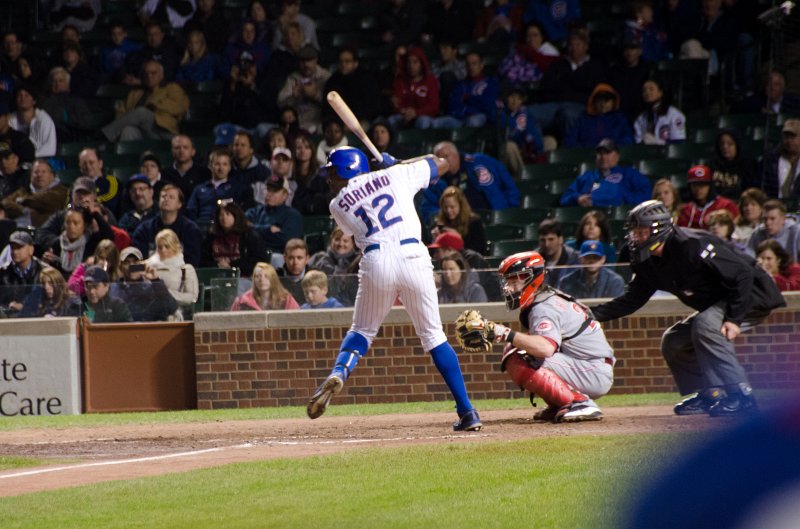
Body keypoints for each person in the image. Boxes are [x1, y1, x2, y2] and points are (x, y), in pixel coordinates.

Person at [307, 146, 482, 432]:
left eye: (333, 172)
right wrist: (401, 163)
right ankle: (467, 411)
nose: (329, 178)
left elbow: (360, 212)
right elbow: (444, 163)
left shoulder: (337, 205)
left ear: (348, 170)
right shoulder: (398, 174)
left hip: (377, 260)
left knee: (362, 331)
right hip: (414, 255)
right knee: (434, 336)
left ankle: (340, 370)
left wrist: (395, 168)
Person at [591, 200, 785, 416]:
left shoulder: (692, 244)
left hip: (751, 294)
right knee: (674, 340)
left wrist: (734, 319)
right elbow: (632, 299)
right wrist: (591, 315)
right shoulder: (646, 260)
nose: (635, 236)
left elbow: (742, 274)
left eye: (641, 231)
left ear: (659, 229)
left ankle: (740, 395)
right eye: (634, 231)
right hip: (719, 301)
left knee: (705, 325)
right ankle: (710, 395)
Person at [457, 250, 613, 422]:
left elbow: (545, 348)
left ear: (530, 277)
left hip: (593, 370)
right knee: (519, 349)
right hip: (588, 365)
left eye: (513, 280)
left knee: (519, 355)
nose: (508, 287)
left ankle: (579, 402)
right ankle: (560, 403)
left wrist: (501, 332)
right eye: (507, 281)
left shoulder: (543, 307)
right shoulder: (545, 298)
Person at [424, 141, 520, 224]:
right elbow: (428, 208)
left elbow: (509, 185)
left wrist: (510, 210)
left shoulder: (480, 161)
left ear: (456, 153)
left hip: (497, 218)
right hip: (461, 227)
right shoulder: (435, 182)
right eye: (439, 159)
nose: (443, 161)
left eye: (446, 156)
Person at [102, 60, 190, 142]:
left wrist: (154, 104)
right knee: (127, 130)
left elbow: (180, 107)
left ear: (161, 75)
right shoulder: (135, 93)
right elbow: (122, 110)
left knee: (142, 112)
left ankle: (104, 137)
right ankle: (125, 158)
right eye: (146, 73)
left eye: (153, 73)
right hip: (143, 131)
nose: (149, 76)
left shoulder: (171, 88)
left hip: (163, 130)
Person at [560, 139, 652, 207]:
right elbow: (565, 198)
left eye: (607, 153)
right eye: (600, 153)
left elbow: (646, 195)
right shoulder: (587, 176)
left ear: (617, 156)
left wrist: (621, 197)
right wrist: (578, 198)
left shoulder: (629, 174)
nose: (603, 157)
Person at [132, 183, 203, 267]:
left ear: (179, 204)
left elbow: (192, 262)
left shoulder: (191, 230)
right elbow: (139, 260)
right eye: (163, 196)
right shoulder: (144, 229)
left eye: (171, 197)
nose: (166, 199)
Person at [41, 205, 115, 280]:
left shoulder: (92, 242)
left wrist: (95, 214)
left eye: (75, 223)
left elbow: (109, 236)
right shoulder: (57, 244)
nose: (71, 227)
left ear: (85, 225)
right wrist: (47, 263)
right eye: (68, 222)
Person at [431, 51, 500, 130]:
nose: (470, 67)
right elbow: (452, 105)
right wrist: (473, 104)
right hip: (459, 118)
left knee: (473, 121)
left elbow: (488, 104)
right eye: (468, 64)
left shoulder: (490, 82)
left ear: (481, 65)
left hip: (480, 117)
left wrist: (468, 98)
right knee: (436, 122)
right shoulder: (460, 84)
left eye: (474, 63)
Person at [201, 199, 268, 277]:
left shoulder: (250, 235)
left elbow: (259, 261)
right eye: (221, 215)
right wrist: (218, 265)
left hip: (244, 277)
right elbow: (203, 260)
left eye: (228, 214)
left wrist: (232, 265)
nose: (224, 218)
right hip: (215, 277)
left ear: (236, 216)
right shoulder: (212, 236)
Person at [112, 246, 179, 322]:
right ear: (121, 267)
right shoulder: (114, 288)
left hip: (149, 330)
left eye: (135, 262)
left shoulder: (153, 287)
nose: (132, 266)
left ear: (143, 265)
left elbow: (172, 308)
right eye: (127, 262)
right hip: (122, 330)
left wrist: (155, 280)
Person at [244, 174, 303, 258]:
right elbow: (242, 226)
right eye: (268, 190)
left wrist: (253, 229)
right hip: (252, 256)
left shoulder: (293, 215)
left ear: (285, 195)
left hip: (279, 257)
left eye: (274, 191)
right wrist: (268, 229)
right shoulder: (255, 212)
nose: (269, 194)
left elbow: (287, 241)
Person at [144, 228, 199, 317]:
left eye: (167, 246)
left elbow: (192, 297)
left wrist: (166, 293)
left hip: (176, 313)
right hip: (149, 313)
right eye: (160, 247)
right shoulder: (148, 267)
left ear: (175, 246)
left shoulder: (185, 269)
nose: (163, 250)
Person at [276, 44, 330, 134]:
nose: (306, 64)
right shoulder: (293, 78)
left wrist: (315, 94)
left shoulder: (325, 77)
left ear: (316, 60)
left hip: (318, 123)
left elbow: (334, 105)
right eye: (303, 61)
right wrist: (295, 97)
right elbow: (280, 103)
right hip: (297, 124)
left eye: (309, 60)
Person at [186, 147, 250, 223]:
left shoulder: (237, 188)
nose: (221, 168)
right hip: (202, 227)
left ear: (229, 167)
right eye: (217, 164)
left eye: (225, 164)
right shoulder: (199, 189)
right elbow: (190, 213)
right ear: (210, 166)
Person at [322, 47, 381, 127]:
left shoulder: (366, 79)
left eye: (347, 61)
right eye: (341, 61)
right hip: (338, 123)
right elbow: (327, 108)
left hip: (361, 120)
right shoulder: (333, 81)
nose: (343, 64)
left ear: (355, 63)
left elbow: (372, 107)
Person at [0, 159, 68, 228]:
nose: (39, 175)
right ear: (31, 175)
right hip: (17, 228)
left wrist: (23, 201)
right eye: (36, 172)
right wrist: (23, 210)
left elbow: (46, 202)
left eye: (44, 172)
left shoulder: (60, 190)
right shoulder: (24, 191)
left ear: (51, 175)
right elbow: (5, 203)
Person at [564, 83, 634, 148]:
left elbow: (629, 140)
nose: (602, 104)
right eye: (599, 100)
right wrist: (587, 148)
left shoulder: (620, 119)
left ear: (614, 101)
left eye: (606, 100)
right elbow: (569, 142)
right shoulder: (583, 119)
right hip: (586, 156)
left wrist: (610, 147)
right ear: (594, 102)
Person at [497, 85, 545, 178]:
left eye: (518, 98)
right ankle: (523, 177)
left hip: (525, 149)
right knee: (509, 146)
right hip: (511, 151)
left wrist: (534, 145)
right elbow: (509, 135)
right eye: (512, 97)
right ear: (506, 98)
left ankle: (542, 175)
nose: (515, 101)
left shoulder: (525, 113)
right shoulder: (501, 114)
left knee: (550, 141)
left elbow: (534, 133)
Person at [388, 46, 440, 130]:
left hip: (423, 116)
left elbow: (434, 106)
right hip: (403, 115)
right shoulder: (399, 80)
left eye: (415, 62)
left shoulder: (430, 80)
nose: (411, 66)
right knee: (391, 120)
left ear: (421, 63)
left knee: (423, 121)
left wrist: (416, 112)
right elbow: (396, 102)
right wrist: (403, 111)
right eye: (409, 62)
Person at [677, 165, 740, 230]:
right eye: (694, 185)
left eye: (702, 184)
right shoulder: (685, 210)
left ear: (710, 186)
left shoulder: (726, 205)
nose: (698, 189)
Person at [429, 185, 487, 255]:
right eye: (445, 207)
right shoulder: (439, 223)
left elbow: (480, 251)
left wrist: (458, 239)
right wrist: (435, 240)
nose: (448, 211)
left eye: (452, 207)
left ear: (461, 205)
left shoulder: (474, 222)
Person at [558, 239, 626, 299]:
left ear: (603, 259)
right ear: (581, 259)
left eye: (596, 257)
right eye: (588, 257)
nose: (592, 261)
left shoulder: (615, 282)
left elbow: (617, 309)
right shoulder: (566, 282)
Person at [750, 118, 800, 199]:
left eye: (793, 137)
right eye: (786, 137)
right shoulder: (769, 160)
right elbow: (760, 187)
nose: (789, 141)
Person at [0, 230, 45, 317]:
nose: (15, 252)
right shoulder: (3, 273)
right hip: (9, 318)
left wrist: (24, 307)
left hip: (37, 317)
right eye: (13, 248)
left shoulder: (44, 271)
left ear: (31, 249)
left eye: (19, 247)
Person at [8, 84, 57, 158]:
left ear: (34, 101)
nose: (22, 99)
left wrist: (27, 156)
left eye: (26, 95)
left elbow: (50, 149)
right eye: (19, 95)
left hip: (40, 161)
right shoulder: (10, 120)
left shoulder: (44, 120)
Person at [230, 261, 299, 310]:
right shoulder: (242, 301)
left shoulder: (286, 299)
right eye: (258, 276)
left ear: (273, 279)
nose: (262, 280)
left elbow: (296, 318)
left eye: (266, 276)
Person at [162, 134, 211, 202]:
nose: (181, 150)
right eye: (177, 147)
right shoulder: (164, 174)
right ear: (172, 151)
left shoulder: (205, 173)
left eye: (185, 147)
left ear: (193, 151)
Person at [711, 128, 755, 200]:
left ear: (737, 145)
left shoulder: (748, 165)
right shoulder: (712, 164)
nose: (725, 147)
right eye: (722, 144)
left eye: (730, 144)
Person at [534, 218, 579, 287]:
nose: (547, 244)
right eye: (543, 240)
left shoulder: (573, 258)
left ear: (560, 240)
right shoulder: (534, 260)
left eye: (551, 239)